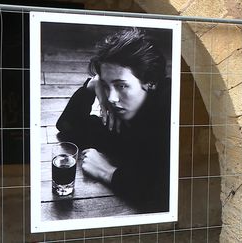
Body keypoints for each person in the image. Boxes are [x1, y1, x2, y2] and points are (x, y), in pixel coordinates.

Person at [56, 27, 171, 213]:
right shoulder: (119, 113)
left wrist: (107, 172)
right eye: (106, 85)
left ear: (151, 82)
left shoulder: (169, 105)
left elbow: (163, 194)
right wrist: (92, 86)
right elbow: (67, 126)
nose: (112, 98)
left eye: (121, 85)